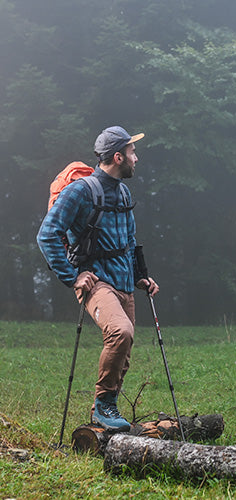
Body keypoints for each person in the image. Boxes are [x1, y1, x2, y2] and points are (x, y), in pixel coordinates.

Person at [37, 125, 159, 432]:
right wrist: (73, 276)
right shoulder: (80, 191)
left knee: (125, 351)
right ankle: (104, 407)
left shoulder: (124, 191)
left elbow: (128, 239)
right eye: (132, 152)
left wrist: (140, 277)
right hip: (95, 281)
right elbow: (47, 234)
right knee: (121, 332)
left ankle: (106, 412)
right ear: (118, 157)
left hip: (123, 280)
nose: (136, 158)